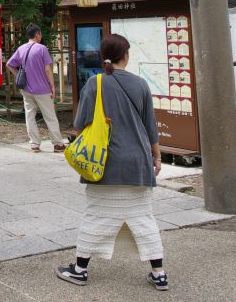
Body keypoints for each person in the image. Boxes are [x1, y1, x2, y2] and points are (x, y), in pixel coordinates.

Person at [56, 34, 168, 291]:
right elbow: (150, 126)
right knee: (143, 218)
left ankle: (80, 270)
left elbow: (81, 122)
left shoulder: (95, 84)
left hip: (105, 162)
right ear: (125, 55)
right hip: (138, 161)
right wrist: (157, 155)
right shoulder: (141, 84)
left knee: (97, 217)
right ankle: (159, 273)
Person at [6, 24, 65, 153]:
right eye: (40, 34)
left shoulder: (21, 49)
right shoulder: (42, 49)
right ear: (37, 34)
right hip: (43, 89)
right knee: (50, 117)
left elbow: (9, 64)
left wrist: (19, 76)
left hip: (26, 89)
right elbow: (48, 69)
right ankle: (57, 144)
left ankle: (34, 144)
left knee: (30, 116)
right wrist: (53, 87)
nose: (41, 36)